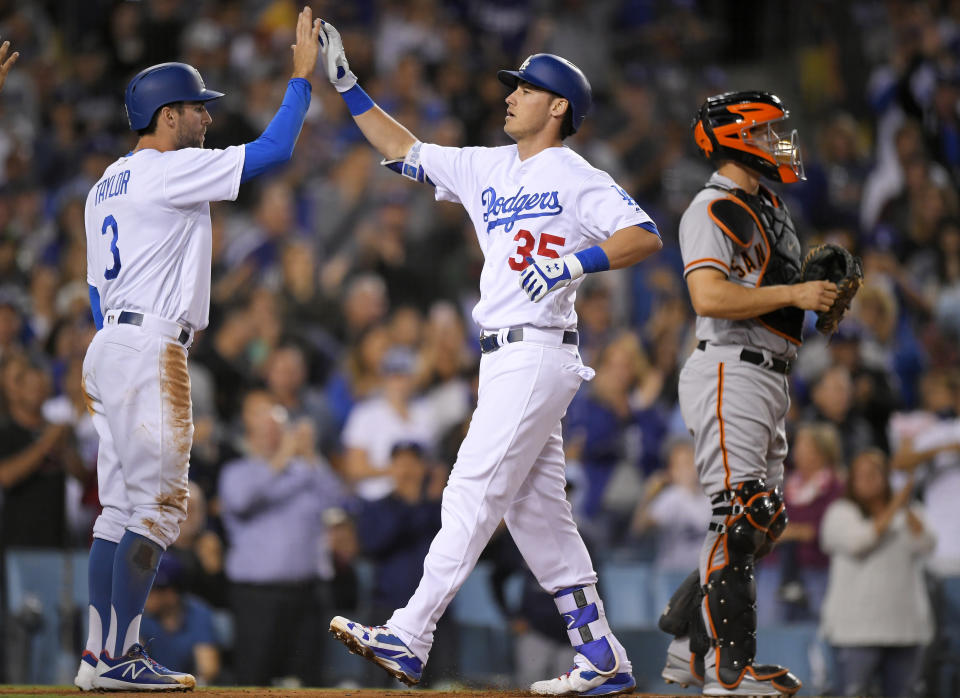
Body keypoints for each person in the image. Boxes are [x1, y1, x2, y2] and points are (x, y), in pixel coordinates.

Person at [318, 22, 662, 695]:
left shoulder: (573, 172)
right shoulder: (487, 166)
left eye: (527, 88)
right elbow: (404, 148)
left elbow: (642, 234)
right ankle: (600, 654)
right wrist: (349, 87)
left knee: (470, 489)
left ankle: (411, 633)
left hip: (537, 348)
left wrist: (575, 260)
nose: (511, 95)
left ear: (558, 106)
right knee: (538, 515)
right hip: (504, 356)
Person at [74, 8, 322, 691]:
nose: (207, 119)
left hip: (110, 340)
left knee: (120, 510)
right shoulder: (167, 170)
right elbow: (274, 150)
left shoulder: (104, 186)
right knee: (159, 511)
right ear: (167, 114)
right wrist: (300, 81)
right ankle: (121, 659)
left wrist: (120, 343)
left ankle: (99, 656)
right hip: (151, 343)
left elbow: (96, 292)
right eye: (197, 109)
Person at [657, 92, 839, 697]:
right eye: (764, 133)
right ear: (734, 137)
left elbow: (771, 291)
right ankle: (730, 676)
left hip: (766, 375)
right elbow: (708, 298)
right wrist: (795, 296)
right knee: (741, 514)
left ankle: (688, 649)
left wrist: (814, 293)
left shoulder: (766, 205)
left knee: (756, 525)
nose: (776, 142)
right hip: (729, 367)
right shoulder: (711, 207)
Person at [219, 390, 344, 686]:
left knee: (311, 680)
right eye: (265, 432)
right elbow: (240, 501)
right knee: (253, 678)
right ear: (250, 436)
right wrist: (283, 457)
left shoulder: (305, 472)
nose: (273, 439)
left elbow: (338, 499)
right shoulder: (237, 472)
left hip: (307, 594)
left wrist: (311, 454)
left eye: (278, 432)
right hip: (257, 596)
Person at [820, 449, 935, 697]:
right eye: (861, 475)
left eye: (875, 474)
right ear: (851, 479)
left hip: (906, 628)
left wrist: (904, 506)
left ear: (887, 477)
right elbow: (859, 542)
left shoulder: (908, 512)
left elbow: (927, 544)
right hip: (856, 631)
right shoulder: (840, 512)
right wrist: (895, 505)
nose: (869, 480)